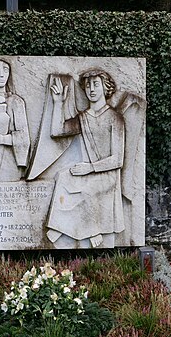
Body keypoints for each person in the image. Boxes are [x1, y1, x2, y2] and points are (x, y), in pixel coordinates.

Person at [45, 68, 125, 248]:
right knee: (63, 177)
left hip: (106, 174)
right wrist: (58, 103)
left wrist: (90, 167)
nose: (91, 89)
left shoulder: (115, 118)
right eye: (88, 85)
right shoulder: (83, 118)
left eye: (96, 84)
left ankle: (93, 230)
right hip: (88, 170)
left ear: (106, 88)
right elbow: (57, 131)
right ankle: (59, 225)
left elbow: (118, 159)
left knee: (86, 189)